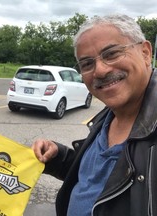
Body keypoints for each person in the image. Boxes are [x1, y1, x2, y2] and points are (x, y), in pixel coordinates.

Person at [32, 14, 157, 216]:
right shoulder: (106, 116)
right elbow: (97, 175)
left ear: (145, 52)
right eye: (87, 64)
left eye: (111, 54)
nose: (99, 70)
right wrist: (58, 156)